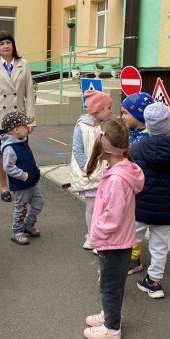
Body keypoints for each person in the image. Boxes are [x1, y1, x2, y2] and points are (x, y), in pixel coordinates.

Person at [83, 119, 144, 339]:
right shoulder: (122, 170)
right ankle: (109, 315)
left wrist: (96, 233)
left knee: (109, 285)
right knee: (111, 283)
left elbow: (113, 216)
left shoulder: (118, 179)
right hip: (118, 241)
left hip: (113, 242)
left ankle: (112, 329)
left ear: (104, 147)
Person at [130, 103, 170, 299]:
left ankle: (114, 279)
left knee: (128, 243)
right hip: (166, 213)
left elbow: (127, 180)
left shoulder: (136, 150)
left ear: (148, 125)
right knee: (159, 248)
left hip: (138, 210)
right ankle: (154, 283)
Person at [0, 32, 36, 202]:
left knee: (20, 152)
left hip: (18, 118)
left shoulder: (23, 64)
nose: (5, 46)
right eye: (1, 43)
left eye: (8, 42)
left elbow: (29, 93)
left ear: (13, 45)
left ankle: (20, 184)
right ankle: (4, 187)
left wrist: (31, 120)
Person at [69, 89, 113, 251]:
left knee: (101, 208)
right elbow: (78, 151)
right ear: (99, 109)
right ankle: (93, 237)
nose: (110, 111)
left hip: (101, 174)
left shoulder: (102, 125)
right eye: (109, 108)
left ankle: (96, 236)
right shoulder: (81, 127)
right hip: (90, 175)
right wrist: (89, 170)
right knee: (92, 208)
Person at [120, 91, 154, 274]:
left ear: (140, 115)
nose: (122, 116)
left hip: (141, 193)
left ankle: (133, 260)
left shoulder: (144, 141)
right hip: (135, 191)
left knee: (136, 228)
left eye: (125, 113)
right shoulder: (135, 133)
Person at [0, 111, 44, 245]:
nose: (28, 128)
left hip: (31, 182)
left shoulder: (22, 141)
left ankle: (28, 225)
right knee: (21, 207)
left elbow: (29, 158)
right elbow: (8, 167)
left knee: (38, 203)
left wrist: (35, 168)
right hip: (21, 184)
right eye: (25, 125)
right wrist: (23, 175)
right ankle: (16, 232)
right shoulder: (9, 148)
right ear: (16, 129)